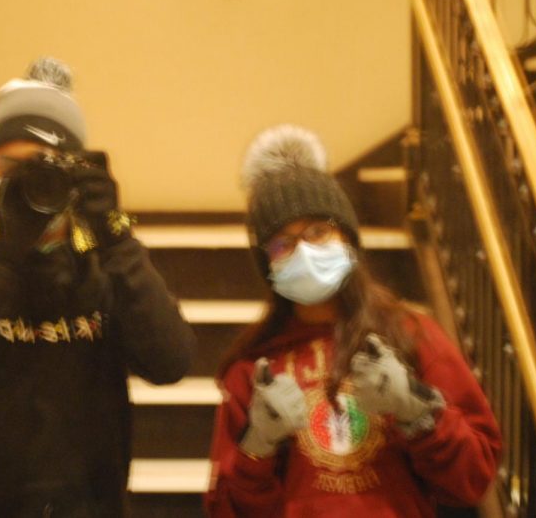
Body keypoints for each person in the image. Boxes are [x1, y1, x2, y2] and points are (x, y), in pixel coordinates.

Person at [0, 57, 196, 517]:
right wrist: (2, 258)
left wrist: (115, 235)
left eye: (41, 165)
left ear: (74, 173)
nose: (22, 179)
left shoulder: (102, 268)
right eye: (7, 165)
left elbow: (171, 361)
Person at [205, 125, 501, 517]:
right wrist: (258, 445)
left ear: (347, 237)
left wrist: (418, 412)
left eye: (318, 231)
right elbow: (227, 510)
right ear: (268, 263)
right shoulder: (255, 369)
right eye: (283, 242)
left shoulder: (413, 337)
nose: (305, 251)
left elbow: (473, 478)